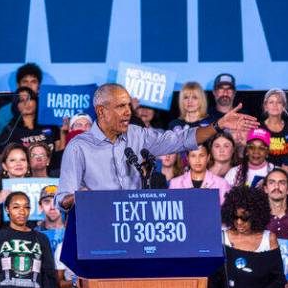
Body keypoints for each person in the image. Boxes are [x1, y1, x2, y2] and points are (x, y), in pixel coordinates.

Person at [57, 83, 258, 209]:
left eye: (128, 105)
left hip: (133, 228)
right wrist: (74, 199)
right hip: (97, 230)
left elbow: (181, 139)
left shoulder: (138, 135)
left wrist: (218, 125)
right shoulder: (78, 147)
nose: (128, 112)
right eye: (120, 106)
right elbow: (62, 198)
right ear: (101, 111)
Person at [0, 86, 65, 156]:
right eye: (21, 100)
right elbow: (2, 156)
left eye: (29, 99)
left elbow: (60, 153)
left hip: (53, 166)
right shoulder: (10, 129)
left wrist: (63, 133)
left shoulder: (49, 124)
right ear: (16, 106)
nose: (26, 103)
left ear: (36, 101)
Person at [0, 143, 31, 230]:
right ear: (5, 166)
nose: (18, 163)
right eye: (12, 160)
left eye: (23, 160)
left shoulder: (39, 188)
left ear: (28, 165)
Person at [0, 63, 43, 138]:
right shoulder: (5, 112)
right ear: (18, 85)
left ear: (39, 86)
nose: (29, 86)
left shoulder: (46, 108)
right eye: (25, 81)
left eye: (33, 81)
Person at [260, 89, 288, 170]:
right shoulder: (258, 127)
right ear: (265, 106)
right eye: (271, 102)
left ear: (284, 106)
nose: (275, 105)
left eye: (279, 102)